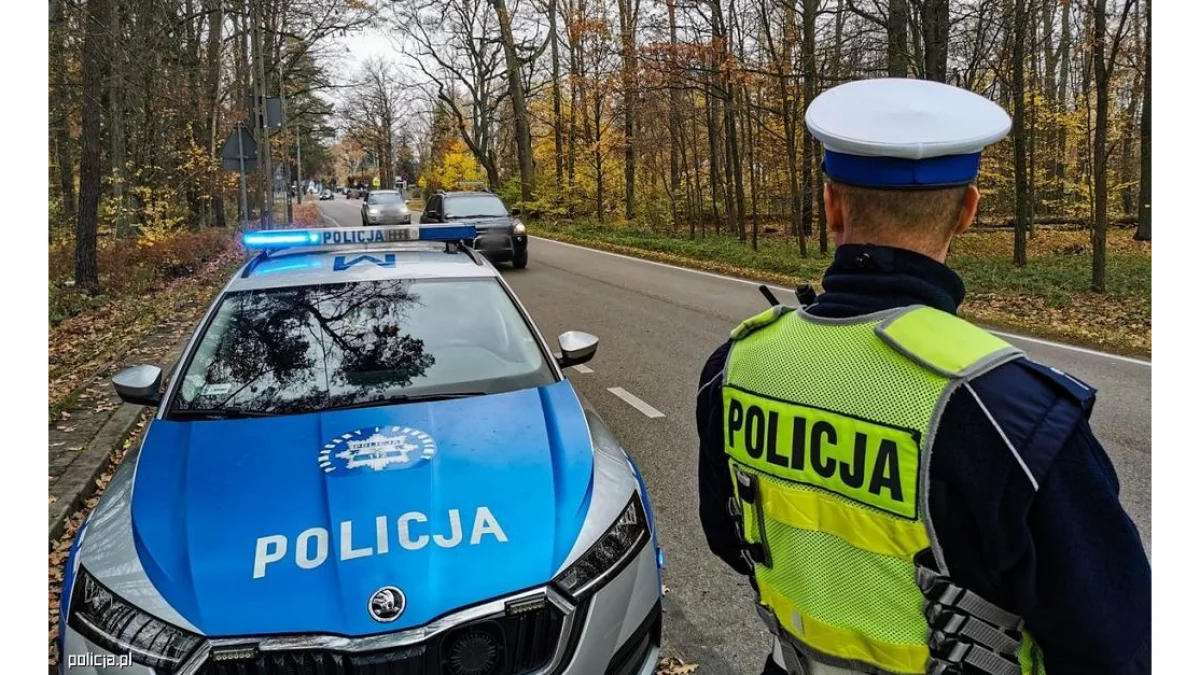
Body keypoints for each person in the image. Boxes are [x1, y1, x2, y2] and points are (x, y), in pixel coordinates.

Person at [694, 78, 1150, 675]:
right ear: (968, 211)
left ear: (831, 206)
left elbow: (729, 541)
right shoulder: (1014, 414)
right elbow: (1120, 646)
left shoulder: (735, 368)